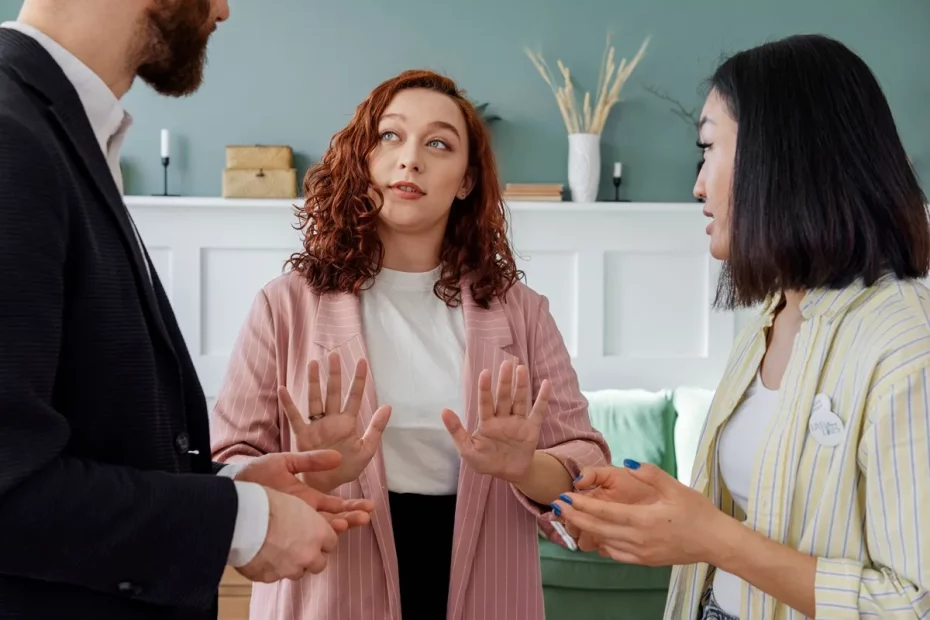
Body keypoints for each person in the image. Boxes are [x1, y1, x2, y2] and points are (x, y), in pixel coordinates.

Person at [0, 1, 373, 619]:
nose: (223, 9)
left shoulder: (62, 131)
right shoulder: (12, 136)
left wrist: (224, 491)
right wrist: (241, 522)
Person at [552, 33, 930, 620]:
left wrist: (709, 537)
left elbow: (916, 601)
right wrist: (654, 515)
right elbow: (755, 517)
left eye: (708, 149)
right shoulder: (770, 316)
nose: (698, 184)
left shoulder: (907, 345)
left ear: (782, 158)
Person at [209, 68, 611, 620]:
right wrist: (314, 471)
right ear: (363, 158)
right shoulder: (284, 306)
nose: (411, 159)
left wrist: (524, 467)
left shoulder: (523, 313)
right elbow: (228, 464)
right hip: (330, 588)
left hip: (485, 586)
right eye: (390, 136)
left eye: (439, 143)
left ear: (466, 181)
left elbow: (585, 465)